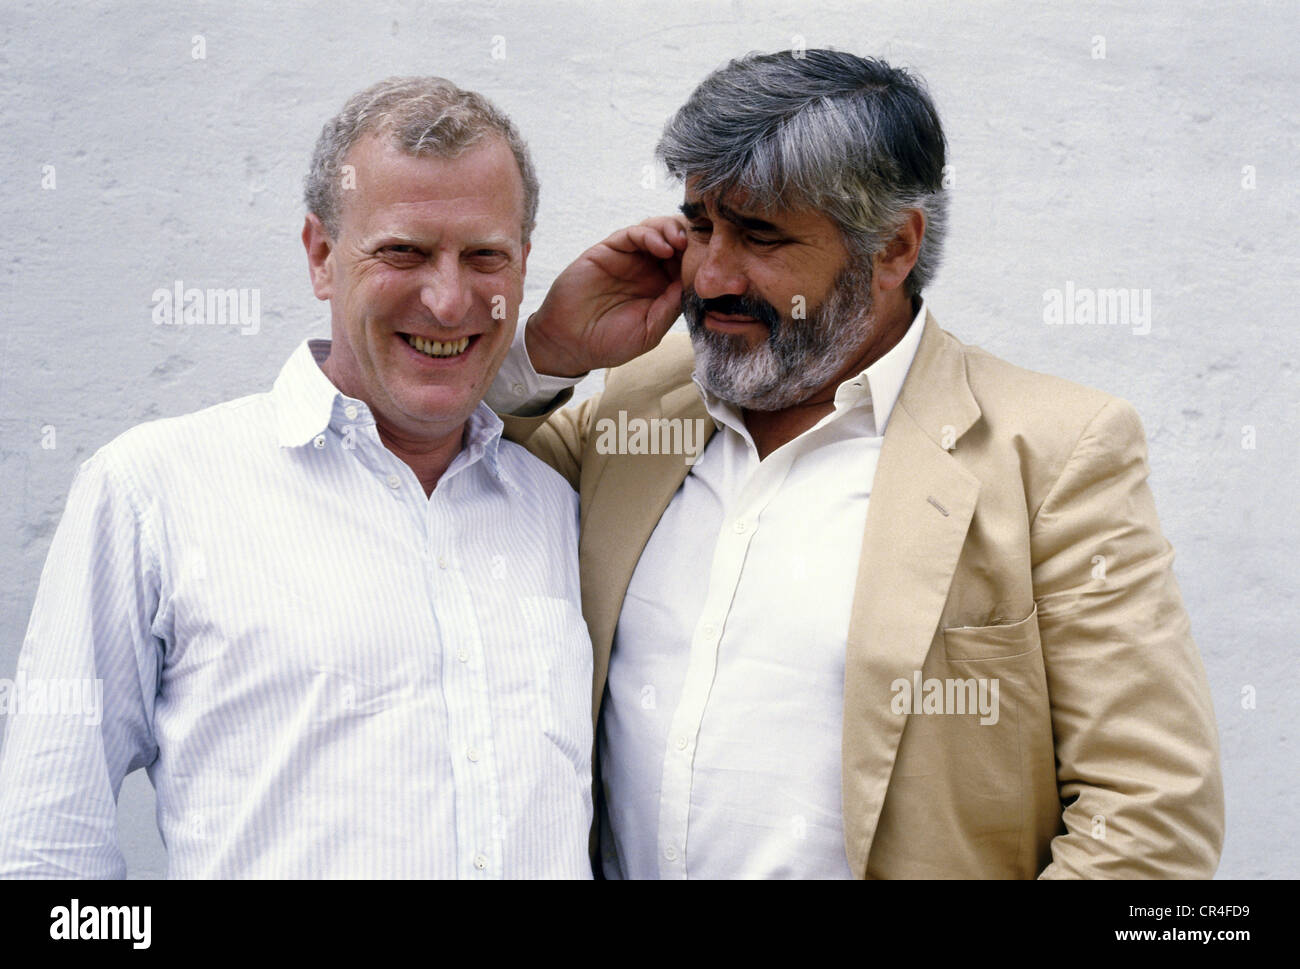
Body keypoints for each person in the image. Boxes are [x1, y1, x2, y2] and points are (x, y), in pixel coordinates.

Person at [485, 49, 1224, 878]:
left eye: (760, 234)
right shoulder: (637, 404)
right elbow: (462, 491)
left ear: (893, 246)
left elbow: (1151, 811)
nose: (710, 273)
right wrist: (547, 352)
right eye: (699, 224)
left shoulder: (1053, 451)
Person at [0, 77, 594, 879]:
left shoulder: (554, 506)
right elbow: (44, 855)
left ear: (523, 265)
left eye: (484, 255)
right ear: (320, 256)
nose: (450, 300)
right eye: (402, 252)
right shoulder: (153, 490)